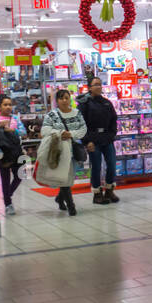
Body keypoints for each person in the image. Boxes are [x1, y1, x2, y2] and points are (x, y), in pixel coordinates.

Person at [37, 89, 86, 216]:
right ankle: (71, 206)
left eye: (66, 97)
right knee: (64, 178)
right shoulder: (52, 115)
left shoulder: (77, 113)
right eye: (61, 98)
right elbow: (45, 130)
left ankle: (59, 198)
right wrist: (59, 134)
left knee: (69, 178)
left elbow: (83, 128)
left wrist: (71, 134)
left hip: (74, 150)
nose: (64, 100)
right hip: (60, 151)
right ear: (57, 101)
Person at [79, 76, 119, 204]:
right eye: (95, 84)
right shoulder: (84, 104)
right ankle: (97, 193)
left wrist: (112, 135)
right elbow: (81, 124)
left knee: (112, 164)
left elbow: (114, 120)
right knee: (96, 166)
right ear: (89, 88)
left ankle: (109, 189)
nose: (99, 87)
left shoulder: (107, 103)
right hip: (92, 140)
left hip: (107, 139)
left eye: (100, 84)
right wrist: (87, 141)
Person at [0, 95, 24, 215]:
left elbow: (23, 132)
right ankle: (8, 204)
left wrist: (13, 130)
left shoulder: (15, 119)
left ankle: (8, 194)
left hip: (16, 151)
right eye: (5, 105)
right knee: (5, 179)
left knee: (20, 175)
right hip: (2, 153)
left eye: (9, 105)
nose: (8, 107)